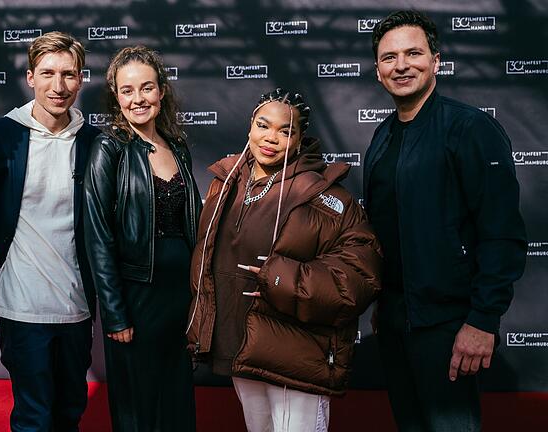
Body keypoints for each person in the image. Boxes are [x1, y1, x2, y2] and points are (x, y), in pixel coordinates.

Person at [365, 10, 527, 431]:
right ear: (378, 72)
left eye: (413, 53)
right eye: (389, 57)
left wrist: (481, 320)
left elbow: (502, 232)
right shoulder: (381, 137)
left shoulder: (471, 128)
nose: (402, 65)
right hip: (396, 321)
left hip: (451, 325)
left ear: (436, 60)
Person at [187, 87, 381, 432]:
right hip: (240, 345)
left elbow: (360, 276)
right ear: (250, 127)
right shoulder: (226, 183)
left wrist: (281, 279)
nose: (271, 138)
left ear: (300, 138)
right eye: (263, 125)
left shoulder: (326, 195)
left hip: (296, 353)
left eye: (285, 131)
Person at [0, 32, 100, 431]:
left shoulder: (96, 143)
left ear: (81, 79)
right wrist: (5, 248)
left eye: (68, 74)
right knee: (32, 416)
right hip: (23, 305)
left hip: (77, 304)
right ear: (30, 77)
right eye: (47, 73)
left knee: (69, 412)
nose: (58, 86)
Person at [83, 45, 201, 431]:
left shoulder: (177, 146)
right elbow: (98, 237)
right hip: (136, 297)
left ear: (162, 91)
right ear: (117, 96)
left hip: (179, 296)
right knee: (139, 405)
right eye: (128, 90)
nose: (139, 99)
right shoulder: (109, 148)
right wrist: (115, 313)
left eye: (147, 88)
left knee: (176, 396)